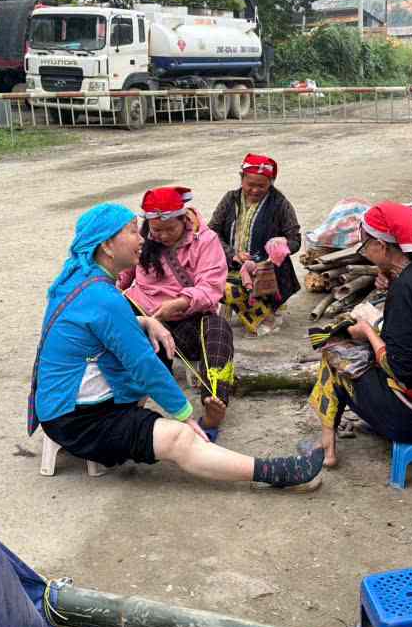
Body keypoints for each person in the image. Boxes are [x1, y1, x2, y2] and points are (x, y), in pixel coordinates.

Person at [28, 202, 323, 489]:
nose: (142, 238)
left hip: (56, 403)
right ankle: (280, 472)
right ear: (106, 246)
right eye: (132, 231)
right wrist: (184, 415)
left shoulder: (76, 277)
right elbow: (143, 365)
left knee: (156, 340)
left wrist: (146, 322)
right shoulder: (105, 298)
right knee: (180, 439)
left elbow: (90, 326)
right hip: (77, 419)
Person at [307, 202, 412, 470]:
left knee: (335, 351)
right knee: (361, 344)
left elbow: (400, 368)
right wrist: (392, 280)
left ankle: (326, 447)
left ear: (382, 246)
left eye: (366, 246)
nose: (365, 253)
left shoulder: (407, 288)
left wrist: (366, 330)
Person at [119, 186, 236, 440]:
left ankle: (214, 402)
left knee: (218, 328)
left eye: (169, 229)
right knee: (115, 323)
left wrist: (181, 302)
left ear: (184, 219)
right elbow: (122, 275)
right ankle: (125, 405)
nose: (161, 236)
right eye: (156, 230)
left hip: (186, 319)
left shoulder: (206, 241)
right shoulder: (141, 241)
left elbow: (211, 287)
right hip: (145, 314)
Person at [208, 153, 302, 335]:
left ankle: (264, 314)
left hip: (266, 271)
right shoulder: (230, 199)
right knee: (217, 286)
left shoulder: (280, 204)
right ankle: (245, 311)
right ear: (241, 179)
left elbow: (295, 239)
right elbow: (212, 232)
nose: (255, 190)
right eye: (250, 185)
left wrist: (280, 246)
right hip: (231, 264)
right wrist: (233, 254)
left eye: (262, 185)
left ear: (271, 183)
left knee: (233, 290)